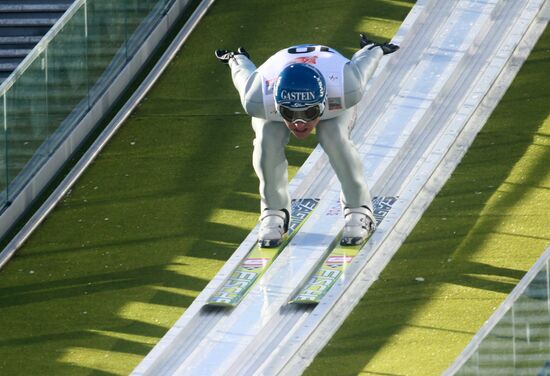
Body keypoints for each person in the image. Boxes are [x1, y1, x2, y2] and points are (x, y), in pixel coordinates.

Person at [215, 34, 399, 248]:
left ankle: (359, 209)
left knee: (334, 136)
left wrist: (372, 50)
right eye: (290, 113)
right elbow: (244, 79)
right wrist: (235, 59)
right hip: (283, 101)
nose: (299, 123)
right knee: (267, 140)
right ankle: (273, 211)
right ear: (277, 103)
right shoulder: (258, 97)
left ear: (322, 102)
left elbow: (362, 67)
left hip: (326, 98)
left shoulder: (344, 88)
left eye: (309, 112)